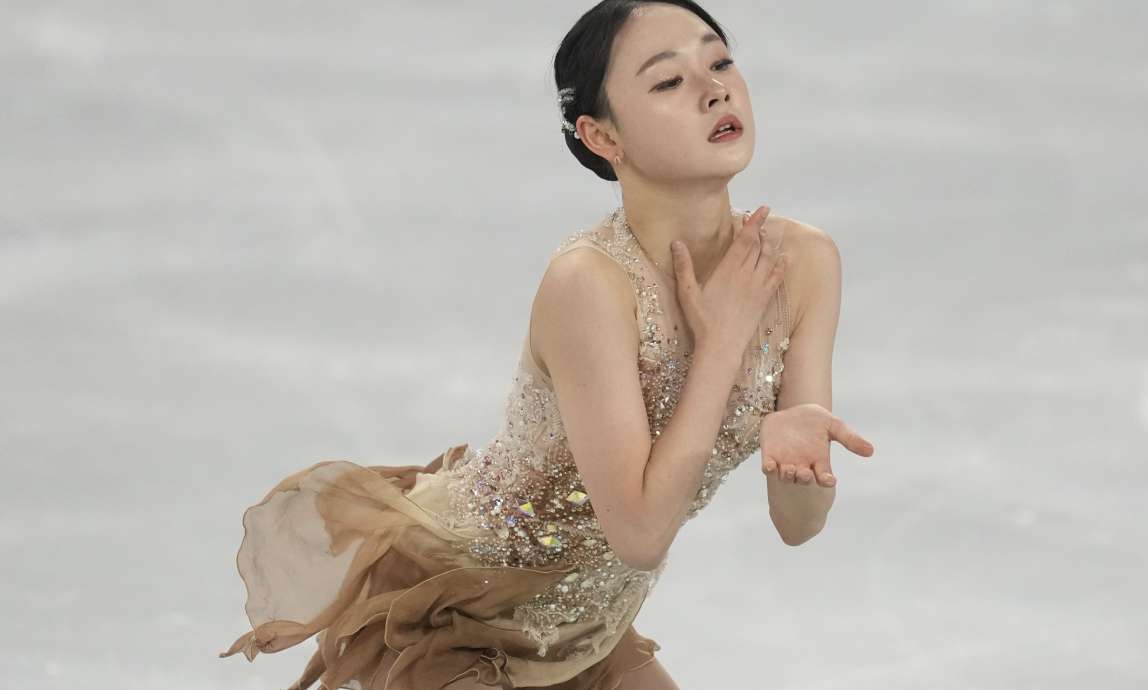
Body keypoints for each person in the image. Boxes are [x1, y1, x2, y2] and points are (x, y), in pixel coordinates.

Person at [217, 1, 875, 688]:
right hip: (458, 611)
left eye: (719, 61)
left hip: (587, 631)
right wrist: (722, 345)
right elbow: (641, 536)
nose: (714, 88)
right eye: (666, 82)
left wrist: (795, 470)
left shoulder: (800, 263)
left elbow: (799, 525)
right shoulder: (588, 284)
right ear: (601, 137)